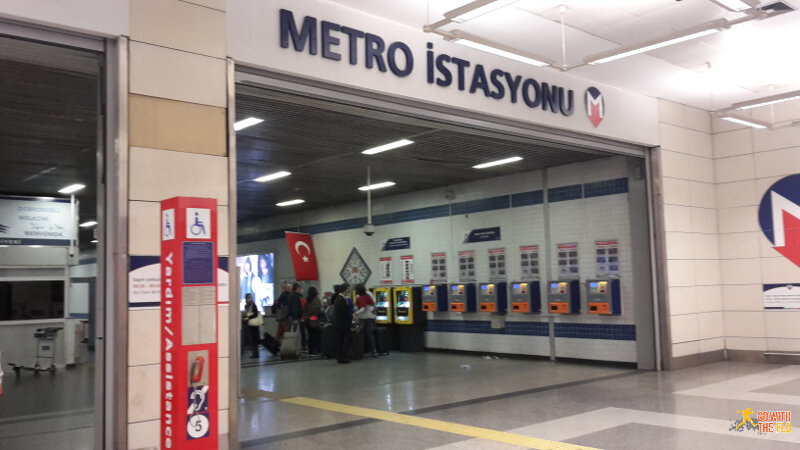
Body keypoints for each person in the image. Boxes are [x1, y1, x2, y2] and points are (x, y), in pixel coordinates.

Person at [332, 284, 353, 364]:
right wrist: (351, 316)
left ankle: (340, 357)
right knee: (349, 338)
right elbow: (344, 312)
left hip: (339, 324)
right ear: (345, 290)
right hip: (342, 324)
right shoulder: (341, 300)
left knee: (340, 341)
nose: (348, 291)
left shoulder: (338, 299)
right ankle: (342, 355)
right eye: (347, 290)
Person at [354, 284, 377, 358]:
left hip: (362, 318)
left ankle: (361, 351)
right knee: (370, 335)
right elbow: (373, 304)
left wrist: (355, 313)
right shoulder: (369, 294)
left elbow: (362, 308)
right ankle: (374, 351)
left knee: (360, 334)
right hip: (370, 317)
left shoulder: (359, 297)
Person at [241, 293, 260, 359]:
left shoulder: (253, 305)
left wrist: (249, 317)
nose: (250, 299)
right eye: (248, 297)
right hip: (248, 325)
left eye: (250, 297)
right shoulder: (246, 305)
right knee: (247, 339)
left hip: (252, 325)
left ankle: (255, 354)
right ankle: (252, 353)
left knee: (253, 340)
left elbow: (255, 314)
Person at [304, 287, 322, 356]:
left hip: (308, 320)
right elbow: (318, 309)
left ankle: (311, 351)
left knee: (310, 337)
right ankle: (317, 350)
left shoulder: (307, 299)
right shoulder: (317, 299)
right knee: (317, 336)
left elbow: (305, 310)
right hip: (315, 320)